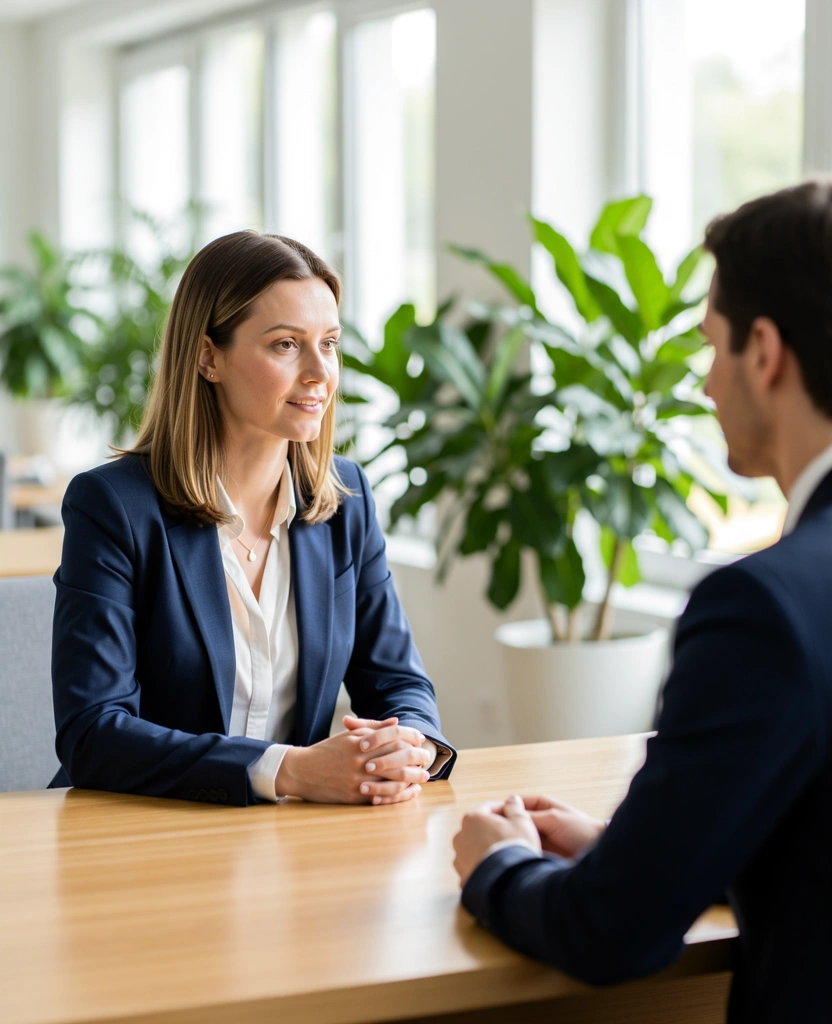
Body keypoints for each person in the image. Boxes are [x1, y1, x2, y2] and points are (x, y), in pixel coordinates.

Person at [452, 180, 832, 1022]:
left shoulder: (763, 607)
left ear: (765, 352)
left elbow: (610, 931)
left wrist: (498, 864)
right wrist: (642, 853)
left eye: (712, 348)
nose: (706, 385)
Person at [50, 231, 455, 807]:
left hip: (293, 835)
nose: (320, 372)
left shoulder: (346, 500)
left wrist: (409, 744)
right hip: (143, 827)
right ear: (208, 357)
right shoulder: (113, 506)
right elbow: (92, 733)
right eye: (286, 345)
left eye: (329, 344)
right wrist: (287, 771)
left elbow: (398, 682)